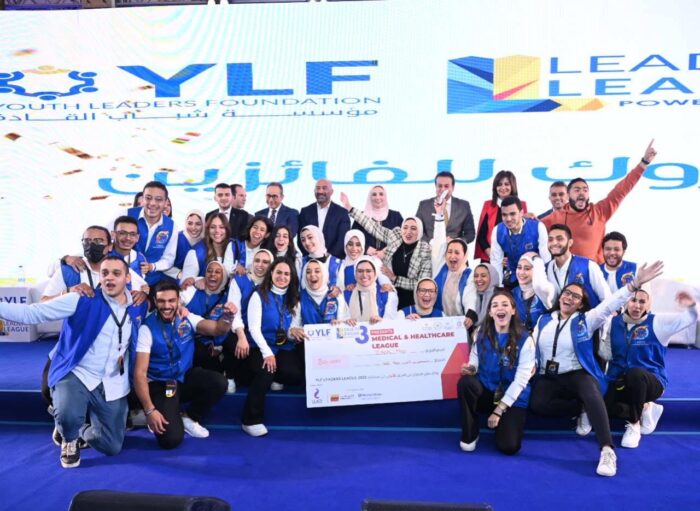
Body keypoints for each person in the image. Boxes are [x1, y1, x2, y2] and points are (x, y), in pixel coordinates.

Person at [0, 257, 148, 468]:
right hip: (77, 372)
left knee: (112, 446)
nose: (109, 278)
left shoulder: (139, 305)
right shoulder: (80, 299)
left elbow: (164, 304)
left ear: (127, 278)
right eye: (105, 273)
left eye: (116, 273)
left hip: (112, 380)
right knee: (68, 417)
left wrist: (152, 296)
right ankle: (68, 436)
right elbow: (31, 313)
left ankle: (80, 430)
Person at [529, 261, 663, 477]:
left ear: (581, 304)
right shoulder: (543, 320)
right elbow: (533, 346)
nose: (569, 297)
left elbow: (610, 304)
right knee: (537, 404)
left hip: (577, 373)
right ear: (560, 296)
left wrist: (635, 283)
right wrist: (532, 365)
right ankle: (580, 408)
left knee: (591, 391)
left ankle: (607, 450)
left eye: (576, 296)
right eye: (567, 293)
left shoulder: (587, 320)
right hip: (549, 376)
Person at [133, 281, 232, 449]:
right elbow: (139, 373)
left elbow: (218, 329)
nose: (167, 306)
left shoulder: (187, 318)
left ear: (179, 300)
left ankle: (190, 416)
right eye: (162, 301)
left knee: (219, 382)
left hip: (183, 377)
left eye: (171, 300)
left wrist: (228, 316)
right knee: (170, 440)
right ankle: (146, 413)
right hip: (161, 383)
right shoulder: (146, 329)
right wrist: (149, 410)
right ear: (155, 302)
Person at [604, 287, 699, 449]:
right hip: (621, 381)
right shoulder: (614, 323)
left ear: (649, 305)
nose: (637, 305)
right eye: (633, 300)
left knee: (635, 374)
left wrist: (691, 305)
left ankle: (634, 424)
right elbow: (605, 352)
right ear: (626, 302)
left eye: (642, 301)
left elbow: (690, 318)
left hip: (651, 382)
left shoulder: (658, 323)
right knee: (605, 408)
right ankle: (647, 408)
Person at [541, 140, 657, 263]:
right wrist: (528, 217)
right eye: (577, 190)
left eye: (585, 190)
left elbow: (621, 190)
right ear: (568, 195)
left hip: (596, 271)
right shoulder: (555, 218)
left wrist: (644, 163)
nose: (582, 193)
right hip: (568, 273)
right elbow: (532, 229)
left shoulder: (599, 211)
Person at [457, 289, 535, 455]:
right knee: (466, 383)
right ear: (490, 312)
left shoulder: (525, 340)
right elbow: (474, 360)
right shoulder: (480, 333)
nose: (500, 308)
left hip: (512, 397)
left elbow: (521, 381)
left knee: (509, 447)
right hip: (488, 390)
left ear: (513, 310)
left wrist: (499, 410)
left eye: (505, 304)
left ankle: (504, 421)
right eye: (495, 305)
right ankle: (470, 433)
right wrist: (470, 368)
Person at [242, 258, 306, 436]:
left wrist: (293, 332)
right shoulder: (259, 295)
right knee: (266, 370)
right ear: (271, 273)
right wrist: (267, 353)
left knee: (295, 375)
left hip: (283, 346)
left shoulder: (294, 299)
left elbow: (292, 327)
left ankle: (276, 374)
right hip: (260, 346)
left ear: (291, 277)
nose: (282, 277)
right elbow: (254, 328)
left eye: (286, 274)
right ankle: (250, 420)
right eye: (278, 272)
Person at [341, 192, 431, 309]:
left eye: (413, 228)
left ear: (419, 231)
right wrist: (350, 208)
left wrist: (395, 278)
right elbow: (373, 226)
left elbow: (421, 283)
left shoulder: (425, 250)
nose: (408, 232)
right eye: (405, 227)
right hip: (390, 291)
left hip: (413, 299)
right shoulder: (396, 236)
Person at [181, 262, 237, 391]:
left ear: (223, 277)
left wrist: (218, 344)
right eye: (209, 271)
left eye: (218, 272)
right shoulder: (192, 290)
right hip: (191, 338)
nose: (212, 274)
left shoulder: (227, 297)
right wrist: (180, 307)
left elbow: (227, 324)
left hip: (212, 342)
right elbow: (176, 300)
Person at [490, 196, 549, 287]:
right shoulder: (497, 230)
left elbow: (546, 258)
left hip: (535, 276)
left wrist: (544, 285)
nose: (508, 219)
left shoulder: (538, 227)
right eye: (504, 215)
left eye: (512, 214)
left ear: (521, 213)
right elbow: (496, 262)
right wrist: (499, 288)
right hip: (512, 276)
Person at [127, 181, 178, 286]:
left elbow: (169, 259)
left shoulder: (171, 226)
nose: (153, 203)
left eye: (158, 199)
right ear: (142, 199)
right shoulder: (127, 214)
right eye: (148, 198)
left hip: (153, 281)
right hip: (125, 278)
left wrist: (152, 266)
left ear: (165, 202)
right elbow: (104, 235)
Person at [545, 224, 610, 308]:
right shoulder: (545, 269)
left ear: (570, 242)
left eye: (559, 239)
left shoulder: (588, 265)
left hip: (589, 315)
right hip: (560, 316)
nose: (554, 243)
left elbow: (607, 299)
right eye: (550, 239)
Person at [43, 225, 112, 301]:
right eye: (87, 241)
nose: (92, 245)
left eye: (98, 241)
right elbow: (43, 301)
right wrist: (68, 291)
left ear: (110, 246)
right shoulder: (69, 270)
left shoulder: (119, 271)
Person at [475, 171, 528, 262]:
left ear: (513, 186)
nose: (503, 187)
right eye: (499, 184)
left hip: (515, 260)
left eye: (506, 184)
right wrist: (494, 256)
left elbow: (525, 235)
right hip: (491, 258)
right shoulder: (488, 205)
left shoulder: (521, 205)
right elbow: (481, 236)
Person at [431, 200, 471, 317]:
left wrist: (470, 314)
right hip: (437, 321)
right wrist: (439, 214)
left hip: (460, 323)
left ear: (464, 256)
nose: (452, 256)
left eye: (457, 252)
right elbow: (439, 240)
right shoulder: (440, 267)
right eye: (449, 252)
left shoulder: (470, 275)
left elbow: (471, 299)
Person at [415, 171, 475, 243]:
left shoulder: (463, 206)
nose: (443, 189)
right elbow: (417, 230)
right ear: (435, 186)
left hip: (454, 248)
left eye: (446, 186)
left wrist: (456, 242)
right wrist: (432, 242)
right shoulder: (424, 205)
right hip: (429, 248)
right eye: (440, 186)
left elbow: (470, 234)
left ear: (453, 187)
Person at [297, 179, 350, 259]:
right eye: (318, 188)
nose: (320, 191)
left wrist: (327, 258)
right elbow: (301, 239)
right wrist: (313, 256)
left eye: (324, 188)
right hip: (310, 260)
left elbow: (342, 240)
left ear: (331, 192)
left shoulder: (342, 213)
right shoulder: (305, 211)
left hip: (333, 260)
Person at [181, 213, 235, 285]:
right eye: (213, 227)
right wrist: (199, 280)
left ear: (227, 229)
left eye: (221, 227)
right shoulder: (196, 253)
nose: (217, 230)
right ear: (208, 230)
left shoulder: (236, 247)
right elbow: (185, 283)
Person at [350, 185, 403, 259]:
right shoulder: (361, 216)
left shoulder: (396, 216)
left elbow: (402, 239)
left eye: (381, 194)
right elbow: (352, 237)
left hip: (390, 260)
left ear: (385, 196)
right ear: (370, 197)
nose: (378, 197)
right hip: (365, 259)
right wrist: (366, 248)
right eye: (374, 194)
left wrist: (385, 251)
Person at [345, 257, 398, 323]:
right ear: (355, 274)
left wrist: (381, 322)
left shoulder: (389, 295)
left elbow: (392, 324)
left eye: (368, 271)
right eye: (360, 271)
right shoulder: (345, 295)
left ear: (375, 273)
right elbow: (341, 319)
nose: (364, 275)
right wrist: (346, 322)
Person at [512, 253, 555, 332]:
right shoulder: (514, 292)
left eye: (527, 268)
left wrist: (538, 262)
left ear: (536, 270)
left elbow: (540, 285)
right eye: (519, 267)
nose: (521, 272)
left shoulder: (545, 291)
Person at [298, 260, 351, 325]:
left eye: (317, 271)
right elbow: (295, 325)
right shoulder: (299, 298)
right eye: (308, 272)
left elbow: (345, 322)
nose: (312, 274)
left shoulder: (337, 296)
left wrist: (340, 323)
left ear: (324, 274)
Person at [299, 225, 343, 291]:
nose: (307, 243)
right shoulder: (300, 262)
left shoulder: (337, 264)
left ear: (318, 237)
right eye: (303, 240)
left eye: (310, 237)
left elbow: (342, 289)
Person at [464, 263, 500, 332]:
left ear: (492, 277)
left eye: (483, 276)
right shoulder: (471, 297)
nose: (479, 279)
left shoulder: (499, 296)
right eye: (476, 276)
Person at [171, 210, 205, 280]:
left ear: (203, 225)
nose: (193, 227)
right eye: (190, 223)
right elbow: (164, 262)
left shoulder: (206, 243)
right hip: (173, 280)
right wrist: (178, 274)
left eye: (198, 224)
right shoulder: (176, 238)